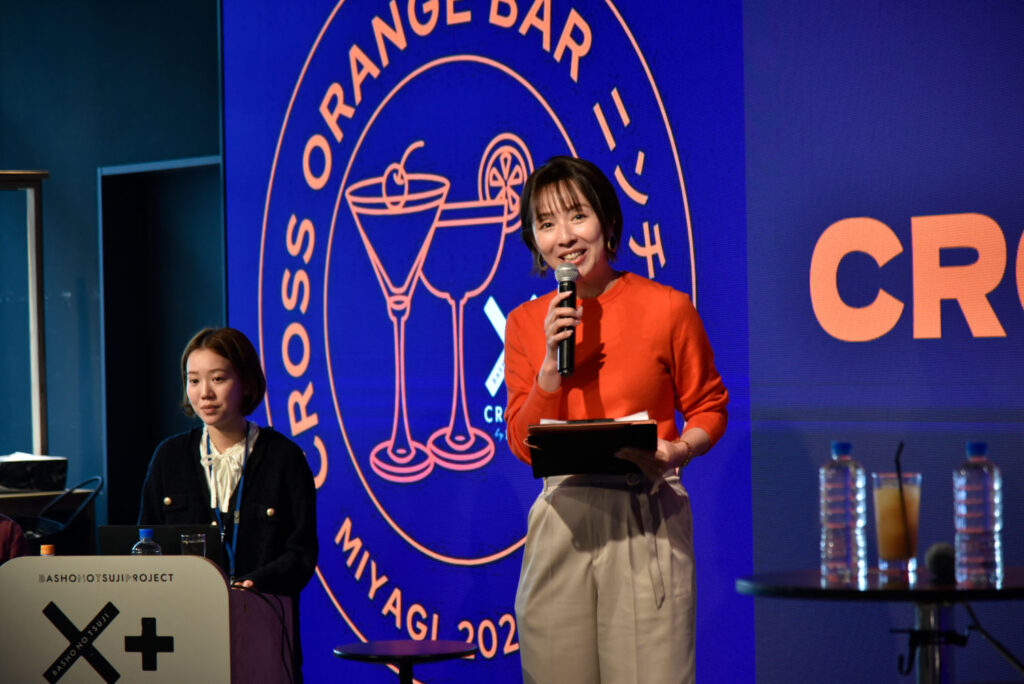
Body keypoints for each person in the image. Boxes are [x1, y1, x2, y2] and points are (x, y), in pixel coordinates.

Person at [504, 156, 729, 684]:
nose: (564, 236)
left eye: (577, 216)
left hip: (644, 513)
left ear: (606, 220)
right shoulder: (526, 323)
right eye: (546, 223)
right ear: (535, 240)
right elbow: (522, 443)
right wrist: (550, 369)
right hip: (561, 519)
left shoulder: (667, 307)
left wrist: (679, 450)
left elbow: (710, 406)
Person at [139, 327, 317, 677]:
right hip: (184, 633)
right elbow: (145, 543)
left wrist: (254, 583)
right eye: (193, 380)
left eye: (218, 378)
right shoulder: (169, 457)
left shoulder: (284, 458)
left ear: (247, 384)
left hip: (264, 629)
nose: (204, 392)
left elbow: (301, 553)